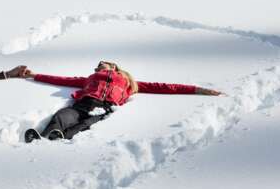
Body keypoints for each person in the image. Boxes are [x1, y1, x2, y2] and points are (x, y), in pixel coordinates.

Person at [22, 61, 223, 142]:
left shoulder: (128, 83)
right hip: (85, 103)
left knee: (85, 124)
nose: (97, 67)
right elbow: (60, 80)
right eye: (96, 67)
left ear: (114, 67)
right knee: (63, 115)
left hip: (105, 108)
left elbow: (164, 87)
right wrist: (33, 75)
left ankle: (61, 137)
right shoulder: (89, 79)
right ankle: (44, 136)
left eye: (101, 64)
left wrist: (198, 90)